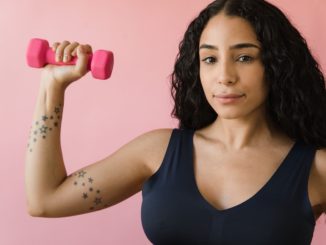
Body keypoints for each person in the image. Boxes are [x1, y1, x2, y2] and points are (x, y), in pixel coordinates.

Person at [25, 0, 326, 244]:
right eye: (209, 59)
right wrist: (52, 86)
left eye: (244, 57)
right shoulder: (157, 152)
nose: (224, 76)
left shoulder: (317, 169)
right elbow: (44, 200)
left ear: (276, 64)